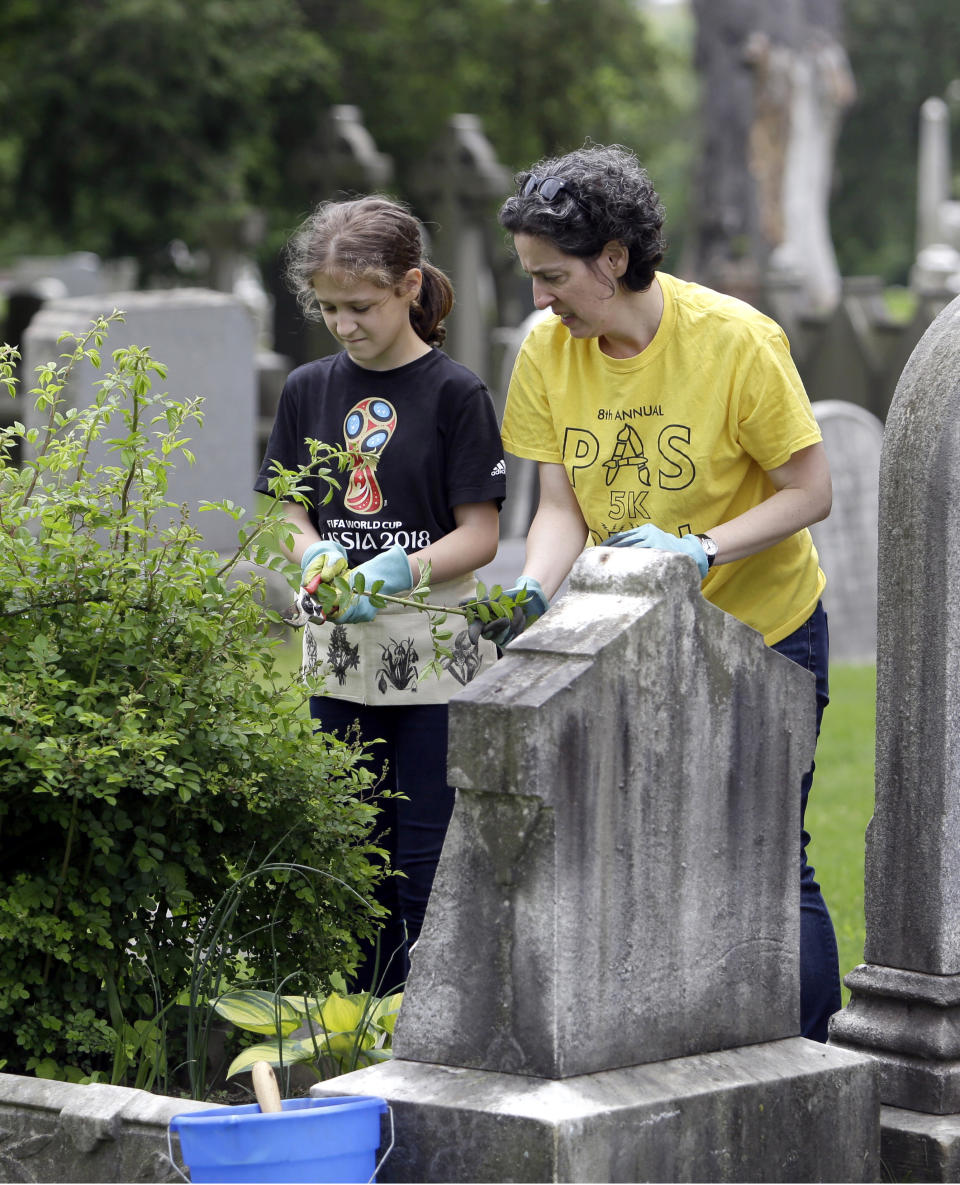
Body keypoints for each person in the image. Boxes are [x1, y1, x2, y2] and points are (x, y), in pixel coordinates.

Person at [490, 143, 841, 1042]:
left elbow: (811, 492)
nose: (540, 300)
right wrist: (532, 593)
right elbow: (560, 507)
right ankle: (692, 1049)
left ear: (614, 256)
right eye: (531, 278)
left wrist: (697, 550)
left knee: (765, 861)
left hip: (762, 629)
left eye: (552, 276)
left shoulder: (736, 339)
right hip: (631, 636)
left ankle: (809, 1063)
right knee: (651, 856)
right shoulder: (547, 353)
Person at [255, 196, 506, 993]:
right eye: (328, 307)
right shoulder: (307, 389)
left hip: (434, 659)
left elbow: (481, 533)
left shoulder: (455, 392)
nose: (343, 323)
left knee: (426, 853)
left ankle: (426, 1015)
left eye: (359, 306)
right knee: (350, 844)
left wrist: (399, 569)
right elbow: (289, 508)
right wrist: (313, 553)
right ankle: (358, 1012)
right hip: (339, 653)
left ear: (407, 287)